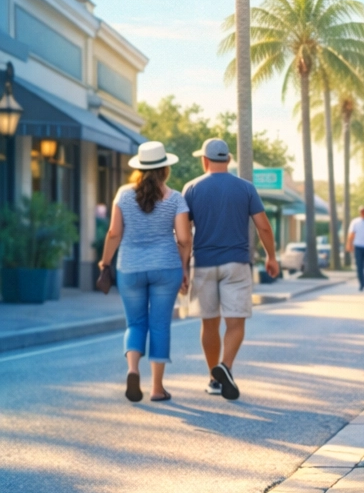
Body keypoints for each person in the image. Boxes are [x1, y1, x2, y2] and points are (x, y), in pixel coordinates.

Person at [182, 139, 280, 401]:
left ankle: (214, 379)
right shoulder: (246, 188)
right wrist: (271, 257)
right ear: (228, 159)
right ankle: (225, 366)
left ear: (204, 160)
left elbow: (184, 235)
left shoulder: (191, 188)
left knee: (209, 323)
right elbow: (263, 226)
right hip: (236, 264)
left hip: (203, 264)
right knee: (235, 322)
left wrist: (182, 268)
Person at [98, 141, 192, 403]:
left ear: (139, 168)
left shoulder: (123, 194)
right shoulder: (175, 199)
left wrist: (105, 262)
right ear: (165, 169)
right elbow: (184, 239)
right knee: (160, 325)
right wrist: (184, 268)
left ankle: (132, 369)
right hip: (166, 268)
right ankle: (157, 389)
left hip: (130, 268)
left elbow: (114, 233)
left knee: (135, 323)